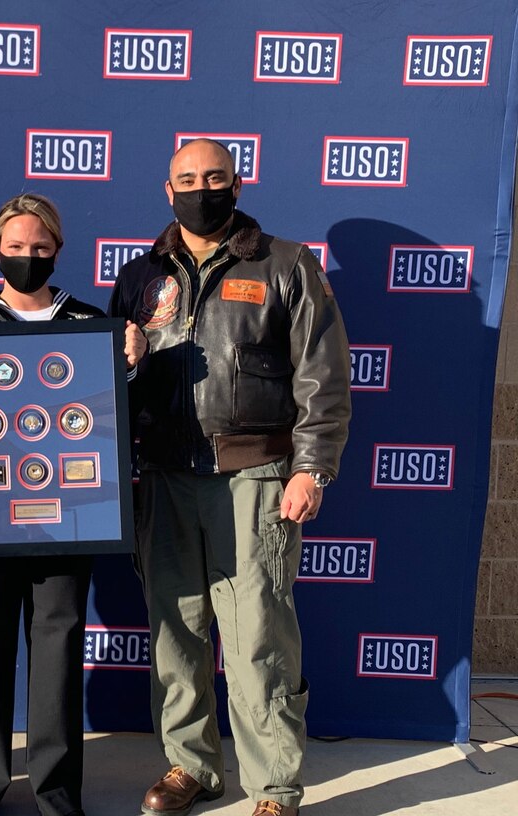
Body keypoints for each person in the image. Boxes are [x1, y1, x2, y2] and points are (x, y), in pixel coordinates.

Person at [108, 139, 351, 816]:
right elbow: (102, 391)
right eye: (187, 178)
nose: (201, 188)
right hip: (162, 477)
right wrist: (121, 364)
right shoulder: (140, 276)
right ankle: (190, 767)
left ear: (237, 184)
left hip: (256, 478)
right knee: (176, 632)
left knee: (258, 635)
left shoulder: (286, 265)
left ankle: (273, 785)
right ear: (167, 189)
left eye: (214, 177)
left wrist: (312, 470)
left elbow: (323, 380)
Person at [0, 193, 147, 816]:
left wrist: (130, 364)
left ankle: (55, 792)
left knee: (58, 646)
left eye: (40, 249)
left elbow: (107, 418)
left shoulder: (88, 322)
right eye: (16, 248)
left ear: (58, 252)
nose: (28, 258)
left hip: (69, 514)